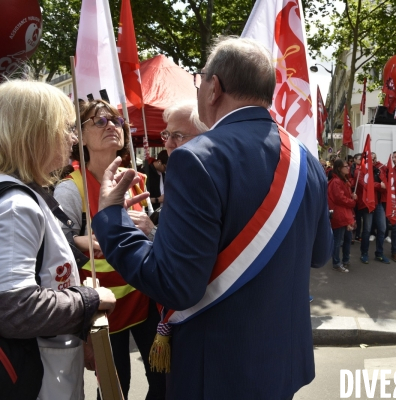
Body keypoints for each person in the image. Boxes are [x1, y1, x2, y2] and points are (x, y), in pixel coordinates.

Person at [91, 37, 333, 399]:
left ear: (214, 87)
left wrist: (112, 219)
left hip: (219, 371)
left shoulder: (196, 158)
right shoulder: (305, 159)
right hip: (282, 363)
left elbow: (175, 286)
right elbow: (319, 254)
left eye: (200, 78)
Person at [0, 80, 116, 399]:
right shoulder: (16, 205)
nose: (73, 137)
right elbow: (14, 308)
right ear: (35, 134)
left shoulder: (22, 196)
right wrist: (88, 300)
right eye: (65, 128)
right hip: (35, 381)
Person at [54, 100, 165, 399]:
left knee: (166, 383)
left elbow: (156, 236)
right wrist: (80, 241)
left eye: (115, 120)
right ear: (81, 136)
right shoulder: (70, 188)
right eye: (99, 122)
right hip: (104, 310)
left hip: (146, 303)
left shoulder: (135, 178)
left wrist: (152, 230)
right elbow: (54, 243)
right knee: (117, 390)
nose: (111, 126)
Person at [354, 151, 389, 264]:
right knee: (367, 230)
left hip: (378, 203)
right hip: (367, 204)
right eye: (371, 159)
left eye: (374, 159)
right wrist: (378, 185)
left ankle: (379, 253)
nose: (373, 161)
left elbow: (385, 185)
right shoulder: (359, 171)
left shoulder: (378, 170)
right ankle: (364, 253)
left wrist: (378, 185)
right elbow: (365, 185)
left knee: (382, 228)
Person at [328, 159, 357, 272]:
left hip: (346, 214)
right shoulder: (336, 182)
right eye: (345, 166)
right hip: (340, 214)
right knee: (338, 240)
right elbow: (339, 198)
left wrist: (352, 197)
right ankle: (336, 263)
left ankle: (345, 260)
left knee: (347, 238)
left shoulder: (343, 180)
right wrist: (352, 202)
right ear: (339, 168)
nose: (348, 168)